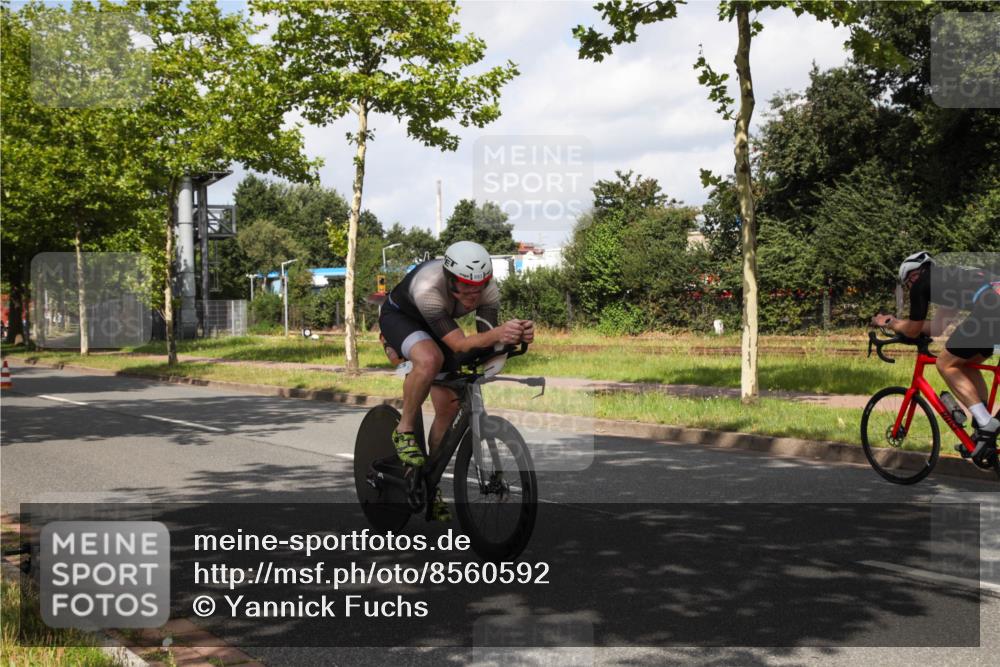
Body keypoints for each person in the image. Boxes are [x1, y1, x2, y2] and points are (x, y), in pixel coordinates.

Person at [378, 241, 534, 521]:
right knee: (429, 359)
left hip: (439, 325)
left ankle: (429, 482)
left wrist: (515, 337)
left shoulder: (488, 291)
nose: (473, 294)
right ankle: (403, 429)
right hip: (402, 318)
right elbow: (461, 345)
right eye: (465, 286)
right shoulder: (428, 289)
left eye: (480, 286)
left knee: (448, 408)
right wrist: (499, 334)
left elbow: (485, 341)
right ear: (450, 280)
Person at [872, 251, 1000, 463]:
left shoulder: (922, 283)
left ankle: (986, 423)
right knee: (965, 364)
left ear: (913, 275)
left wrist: (890, 322)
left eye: (907, 284)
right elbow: (937, 328)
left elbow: (913, 329)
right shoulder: (950, 280)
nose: (910, 288)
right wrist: (908, 327)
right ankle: (982, 433)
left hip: (991, 310)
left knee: (945, 364)